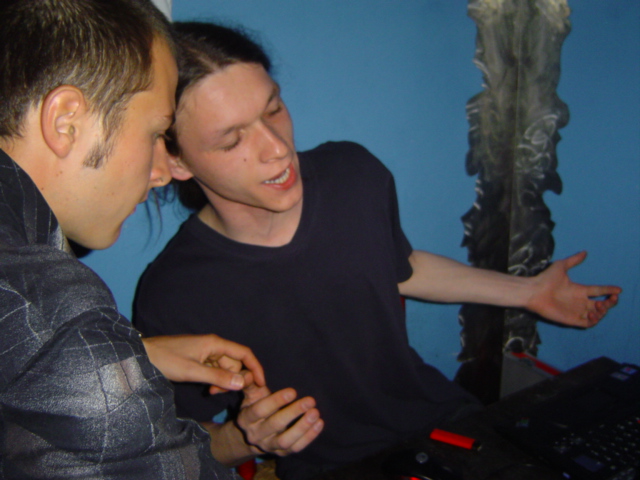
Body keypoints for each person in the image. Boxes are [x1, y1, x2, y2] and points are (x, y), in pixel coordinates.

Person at [133, 21, 622, 480]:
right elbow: (173, 448)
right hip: (335, 467)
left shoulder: (353, 174)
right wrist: (243, 438)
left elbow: (400, 269)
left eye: (273, 108)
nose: (277, 148)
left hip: (444, 422)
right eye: (232, 139)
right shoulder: (174, 291)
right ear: (175, 161)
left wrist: (529, 292)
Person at [0, 2, 268, 479]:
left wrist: (135, 355)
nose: (162, 173)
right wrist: (93, 357)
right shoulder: (56, 317)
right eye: (156, 133)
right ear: (66, 122)